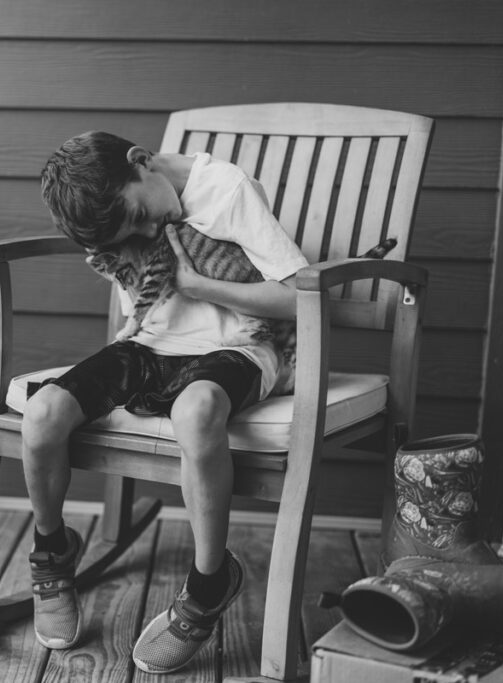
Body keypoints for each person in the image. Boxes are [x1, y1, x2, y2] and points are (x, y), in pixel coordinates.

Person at [27, 131, 309, 674]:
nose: (145, 230)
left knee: (196, 409)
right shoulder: (127, 205)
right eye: (128, 231)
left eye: (137, 215)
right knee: (42, 414)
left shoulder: (224, 190)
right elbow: (136, 285)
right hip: (152, 343)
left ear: (142, 163)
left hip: (241, 346)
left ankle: (208, 584)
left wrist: (198, 286)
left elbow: (298, 296)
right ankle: (52, 552)